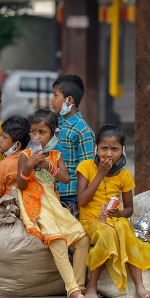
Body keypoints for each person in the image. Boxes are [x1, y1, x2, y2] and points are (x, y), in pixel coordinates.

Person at [17, 109, 90, 298]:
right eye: (33, 132)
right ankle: (72, 291)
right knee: (57, 240)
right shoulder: (25, 155)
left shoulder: (56, 155)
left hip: (54, 203)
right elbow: (21, 185)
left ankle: (79, 285)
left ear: (54, 135)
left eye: (42, 132)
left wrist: (50, 167)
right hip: (35, 203)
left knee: (82, 239)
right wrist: (29, 165)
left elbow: (65, 179)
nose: (36, 137)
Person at [76, 125, 150, 298]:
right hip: (90, 221)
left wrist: (118, 213)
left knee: (127, 231)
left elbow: (129, 209)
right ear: (96, 148)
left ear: (123, 150)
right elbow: (82, 201)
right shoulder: (86, 167)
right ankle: (92, 287)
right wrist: (101, 173)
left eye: (114, 149)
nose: (108, 154)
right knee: (107, 234)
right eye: (104, 148)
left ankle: (140, 288)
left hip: (114, 220)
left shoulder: (125, 175)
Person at [50, 75, 95, 219]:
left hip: (71, 197)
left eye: (55, 96)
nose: (51, 100)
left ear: (69, 100)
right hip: (52, 192)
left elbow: (87, 170)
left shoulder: (83, 131)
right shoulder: (55, 124)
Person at [0, 116, 30, 201]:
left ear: (17, 145)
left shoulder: (5, 164)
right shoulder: (30, 158)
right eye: (1, 135)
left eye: (4, 137)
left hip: (8, 208)